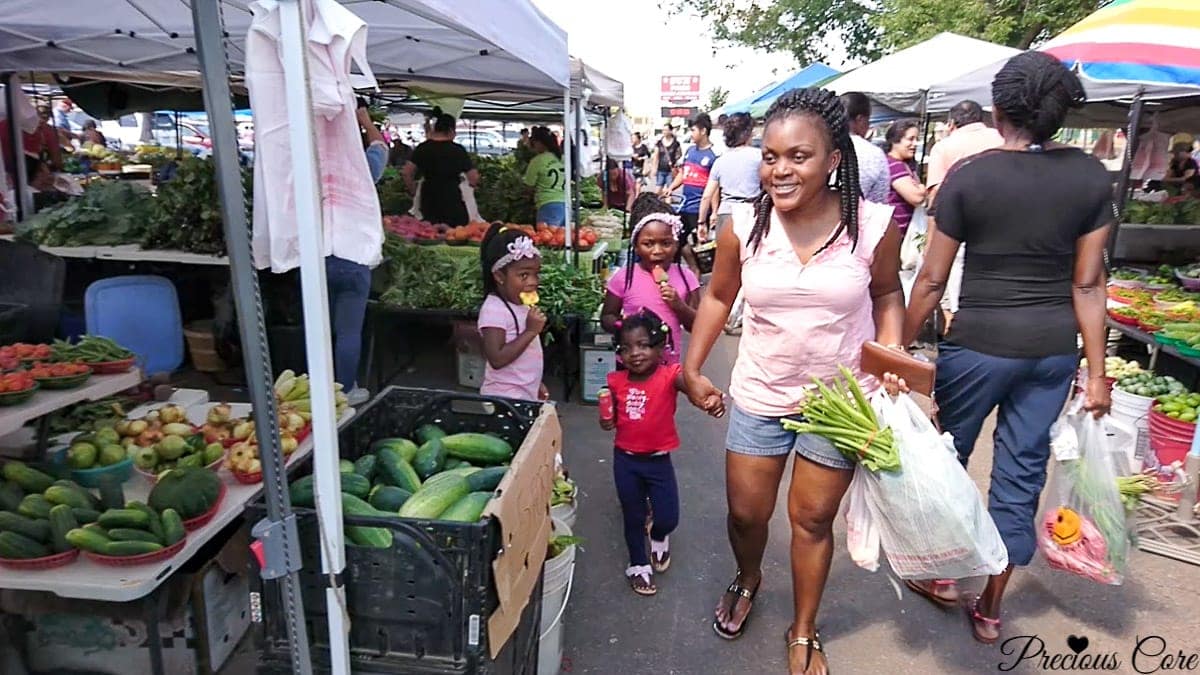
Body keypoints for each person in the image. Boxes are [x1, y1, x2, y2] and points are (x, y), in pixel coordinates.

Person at [682, 87, 904, 675]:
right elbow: (719, 296)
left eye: (798, 157)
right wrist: (691, 366)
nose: (780, 170)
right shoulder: (743, 224)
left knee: (810, 521)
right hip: (759, 393)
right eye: (771, 156)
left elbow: (887, 294)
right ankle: (749, 575)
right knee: (747, 516)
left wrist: (894, 351)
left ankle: (804, 626)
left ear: (834, 160)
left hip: (838, 402)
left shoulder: (873, 225)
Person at [901, 50, 1113, 645]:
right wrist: (1096, 373)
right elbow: (1088, 282)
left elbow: (933, 281)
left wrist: (892, 346)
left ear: (998, 111)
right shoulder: (1090, 177)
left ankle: (945, 579)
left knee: (947, 458)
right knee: (1021, 472)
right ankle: (991, 608)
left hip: (977, 347)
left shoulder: (970, 176)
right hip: (1052, 350)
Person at [600, 309, 687, 595]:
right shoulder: (615, 381)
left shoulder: (669, 375)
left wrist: (706, 394)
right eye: (626, 348)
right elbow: (610, 418)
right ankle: (638, 563)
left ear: (660, 348)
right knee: (633, 514)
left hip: (659, 462)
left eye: (642, 345)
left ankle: (659, 535)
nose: (634, 353)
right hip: (625, 459)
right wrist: (606, 421)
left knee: (668, 516)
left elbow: (690, 383)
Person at [323, 102, 389, 405]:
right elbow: (380, 146)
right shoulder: (362, 168)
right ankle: (345, 390)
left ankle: (315, 390)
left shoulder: (313, 164)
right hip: (353, 257)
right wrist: (364, 119)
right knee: (348, 331)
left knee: (318, 327)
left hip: (317, 256)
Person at [925, 100, 1004, 330]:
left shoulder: (945, 146)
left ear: (952, 123)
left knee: (957, 287)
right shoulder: (1001, 139)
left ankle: (961, 332)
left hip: (959, 229)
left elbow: (936, 196)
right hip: (1002, 226)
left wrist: (931, 243)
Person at [601, 194, 701, 366]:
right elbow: (606, 317)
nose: (657, 250)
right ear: (636, 246)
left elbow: (697, 326)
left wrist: (679, 306)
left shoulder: (687, 278)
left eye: (666, 243)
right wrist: (623, 324)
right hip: (629, 364)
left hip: (667, 366)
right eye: (648, 244)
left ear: (677, 245)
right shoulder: (623, 278)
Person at [477, 223, 549, 401]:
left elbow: (524, 357)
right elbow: (497, 359)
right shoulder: (494, 310)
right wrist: (531, 331)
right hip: (504, 397)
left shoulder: (520, 303)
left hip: (524, 392)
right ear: (499, 276)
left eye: (536, 274)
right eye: (524, 275)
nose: (533, 281)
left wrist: (535, 383)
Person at [661, 113, 716, 273]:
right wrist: (671, 187)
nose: (690, 134)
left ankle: (698, 278)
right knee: (678, 240)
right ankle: (690, 269)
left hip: (700, 209)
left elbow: (715, 189)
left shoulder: (713, 156)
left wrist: (714, 212)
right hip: (684, 206)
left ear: (703, 131)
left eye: (693, 130)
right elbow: (683, 174)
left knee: (702, 245)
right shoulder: (690, 151)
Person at [404, 109, 478, 227]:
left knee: (430, 231)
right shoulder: (458, 150)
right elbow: (473, 177)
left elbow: (407, 172)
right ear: (450, 130)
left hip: (428, 197)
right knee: (455, 233)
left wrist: (413, 190)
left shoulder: (422, 148)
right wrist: (470, 188)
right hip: (452, 198)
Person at [699, 113, 762, 237]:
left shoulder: (720, 161)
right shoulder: (760, 157)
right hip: (751, 214)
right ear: (748, 133)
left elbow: (706, 196)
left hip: (726, 214)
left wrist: (701, 222)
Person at [840, 92, 890, 204]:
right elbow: (879, 200)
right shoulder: (874, 154)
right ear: (860, 119)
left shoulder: (822, 145)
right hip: (861, 219)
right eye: (868, 120)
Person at [884, 119, 926, 233]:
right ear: (895, 141)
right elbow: (916, 197)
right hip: (897, 233)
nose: (915, 144)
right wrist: (922, 188)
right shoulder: (893, 165)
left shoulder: (906, 165)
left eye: (917, 139)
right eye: (910, 139)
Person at [523, 126, 567, 227]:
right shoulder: (562, 158)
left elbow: (529, 186)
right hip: (565, 204)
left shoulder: (537, 161)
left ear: (539, 143)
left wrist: (526, 196)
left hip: (548, 204)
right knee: (563, 239)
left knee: (547, 238)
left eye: (534, 144)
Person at [650, 124, 682, 191]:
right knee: (657, 190)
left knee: (668, 191)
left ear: (670, 131)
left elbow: (679, 154)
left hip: (670, 170)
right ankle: (659, 201)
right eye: (663, 130)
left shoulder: (676, 143)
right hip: (660, 170)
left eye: (666, 130)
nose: (664, 132)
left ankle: (667, 201)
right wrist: (654, 168)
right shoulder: (659, 143)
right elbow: (656, 156)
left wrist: (674, 162)